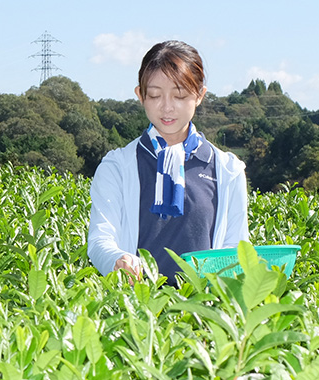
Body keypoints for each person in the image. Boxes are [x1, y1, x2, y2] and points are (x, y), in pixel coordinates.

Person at [87, 40, 248, 285]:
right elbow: (100, 239)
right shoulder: (117, 167)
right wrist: (117, 259)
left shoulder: (228, 170)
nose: (167, 107)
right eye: (154, 95)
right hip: (138, 310)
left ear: (200, 95)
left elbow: (235, 247)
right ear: (140, 95)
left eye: (180, 95)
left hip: (202, 313)